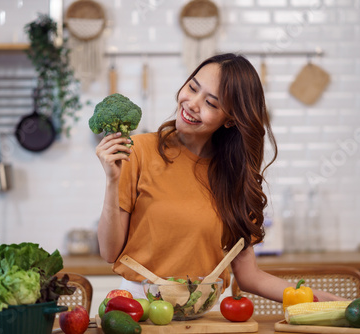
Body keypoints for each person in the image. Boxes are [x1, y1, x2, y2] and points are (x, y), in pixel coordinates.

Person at [95, 53, 342, 302]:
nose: (192, 103)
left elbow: (250, 277)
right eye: (192, 87)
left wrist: (326, 301)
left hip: (204, 315)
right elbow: (109, 251)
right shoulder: (137, 151)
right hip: (137, 307)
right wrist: (112, 181)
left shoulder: (235, 178)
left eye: (211, 103)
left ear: (230, 119)